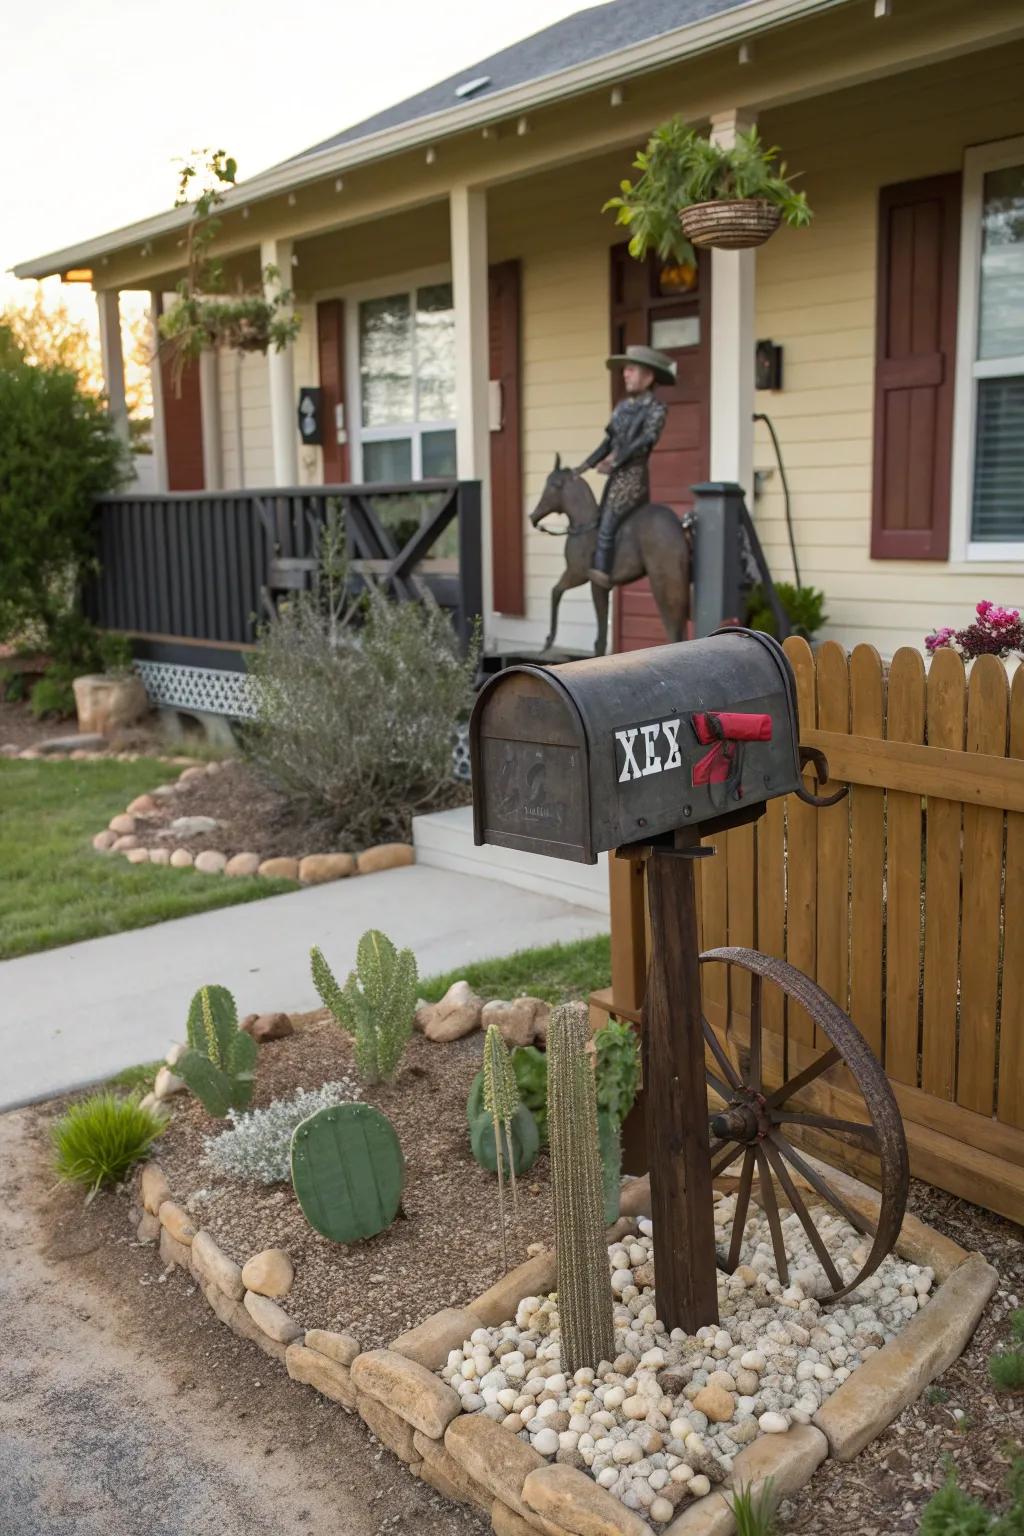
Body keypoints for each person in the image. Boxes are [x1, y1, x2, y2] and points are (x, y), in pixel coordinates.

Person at [574, 343, 675, 588]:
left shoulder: (656, 409)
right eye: (625, 370)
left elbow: (644, 441)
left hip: (633, 479)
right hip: (616, 476)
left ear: (648, 377)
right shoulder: (622, 408)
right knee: (596, 517)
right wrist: (584, 466)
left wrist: (615, 461)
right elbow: (608, 441)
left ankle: (602, 572)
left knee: (608, 522)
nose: (625, 374)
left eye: (632, 369)